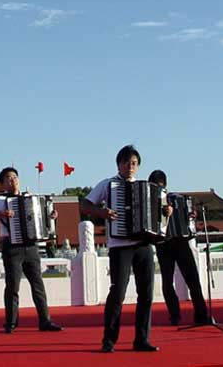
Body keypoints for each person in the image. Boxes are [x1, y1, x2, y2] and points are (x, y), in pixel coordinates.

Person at [81, 145, 163, 354]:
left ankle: (142, 339)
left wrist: (167, 210)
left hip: (143, 245)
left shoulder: (147, 188)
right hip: (120, 246)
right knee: (117, 293)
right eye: (126, 162)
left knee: (146, 294)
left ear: (138, 166)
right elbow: (85, 205)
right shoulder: (108, 184)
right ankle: (109, 340)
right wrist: (103, 212)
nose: (130, 166)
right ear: (119, 164)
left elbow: (159, 212)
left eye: (134, 163)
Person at [0, 167, 62, 334]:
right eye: (9, 178)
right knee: (12, 286)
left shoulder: (29, 198)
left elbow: (42, 217)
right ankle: (11, 322)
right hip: (12, 247)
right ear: (3, 183)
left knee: (38, 284)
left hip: (31, 246)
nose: (13, 181)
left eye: (15, 177)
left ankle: (45, 320)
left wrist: (51, 216)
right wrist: (0, 214)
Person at [147, 170, 209, 326]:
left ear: (165, 185)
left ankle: (201, 314)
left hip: (181, 241)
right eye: (155, 186)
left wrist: (192, 216)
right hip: (162, 243)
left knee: (193, 279)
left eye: (160, 186)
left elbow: (189, 216)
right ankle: (174, 315)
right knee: (167, 281)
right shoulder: (148, 203)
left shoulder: (177, 198)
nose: (158, 189)